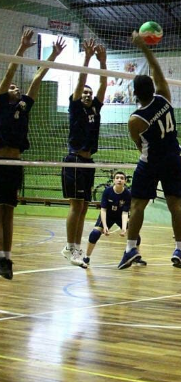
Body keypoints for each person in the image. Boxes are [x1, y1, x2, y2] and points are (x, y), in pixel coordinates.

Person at [0, 30, 65, 280]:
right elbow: (9, 73)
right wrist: (22, 48)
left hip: (15, 163)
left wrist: (53, 55)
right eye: (13, 88)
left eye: (18, 88)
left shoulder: (24, 108)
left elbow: (38, 77)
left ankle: (6, 258)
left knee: (8, 211)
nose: (16, 88)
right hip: (0, 163)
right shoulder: (0, 104)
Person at [118, 31, 181, 270]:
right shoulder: (165, 97)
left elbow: (137, 143)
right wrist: (144, 46)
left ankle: (130, 250)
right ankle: (179, 249)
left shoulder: (135, 119)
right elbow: (156, 68)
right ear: (153, 88)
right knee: (175, 206)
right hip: (173, 159)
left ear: (135, 94)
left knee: (137, 205)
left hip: (151, 161)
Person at [61, 39, 107, 268]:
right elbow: (81, 81)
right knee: (75, 206)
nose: (88, 95)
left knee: (83, 207)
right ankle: (70, 247)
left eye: (90, 93)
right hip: (75, 159)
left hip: (89, 162)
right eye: (85, 93)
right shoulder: (76, 107)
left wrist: (103, 61)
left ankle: (76, 247)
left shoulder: (96, 109)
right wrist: (88, 58)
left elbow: (103, 85)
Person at [83, 171, 146, 267]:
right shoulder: (107, 191)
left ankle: (136, 258)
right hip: (107, 216)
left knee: (136, 236)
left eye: (122, 178)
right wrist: (104, 226)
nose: (119, 180)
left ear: (125, 181)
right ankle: (86, 257)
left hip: (120, 216)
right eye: (117, 178)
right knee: (94, 234)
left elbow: (125, 213)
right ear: (114, 180)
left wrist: (124, 228)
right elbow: (103, 210)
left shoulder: (127, 194)